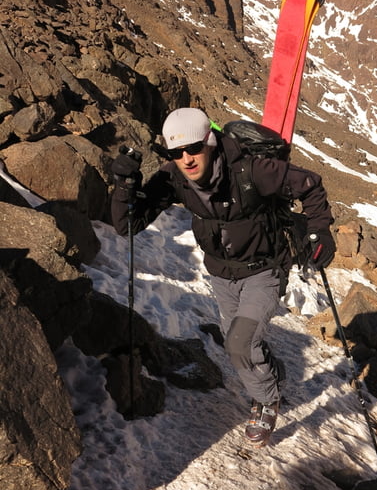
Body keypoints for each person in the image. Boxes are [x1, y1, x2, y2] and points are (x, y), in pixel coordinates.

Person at [111, 107, 335, 447]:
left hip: (265, 269)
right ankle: (270, 373)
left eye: (192, 148)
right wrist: (124, 186)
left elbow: (310, 185)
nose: (186, 159)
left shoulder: (252, 170)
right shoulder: (174, 179)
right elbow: (129, 224)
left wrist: (319, 230)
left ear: (210, 142)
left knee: (239, 344)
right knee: (239, 345)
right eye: (176, 152)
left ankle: (267, 401)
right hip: (221, 273)